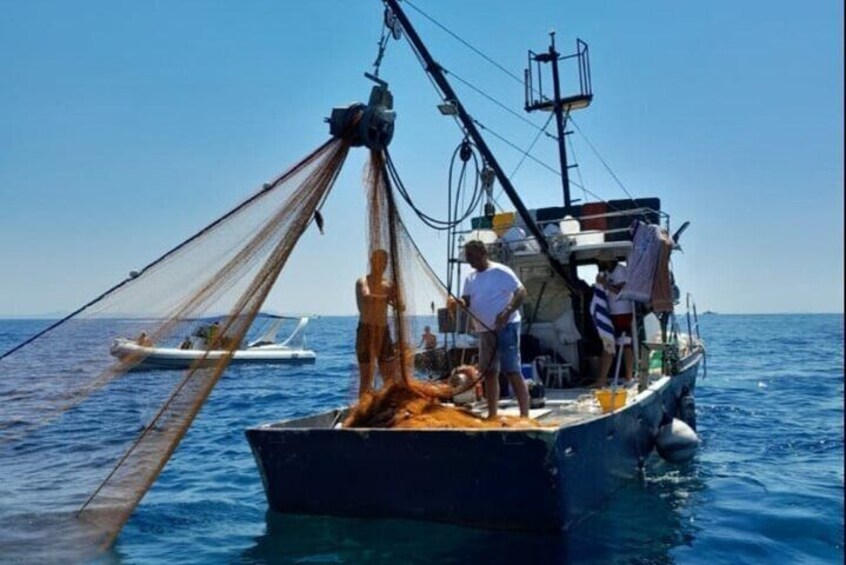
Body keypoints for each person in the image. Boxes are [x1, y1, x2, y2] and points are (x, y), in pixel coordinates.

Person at [458, 239, 529, 419]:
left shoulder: (500, 271)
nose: (469, 260)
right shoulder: (470, 278)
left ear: (483, 253)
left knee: (512, 370)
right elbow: (466, 299)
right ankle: (492, 414)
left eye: (471, 256)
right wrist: (460, 302)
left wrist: (507, 311)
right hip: (484, 330)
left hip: (507, 326)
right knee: (490, 372)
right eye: (467, 257)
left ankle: (524, 415)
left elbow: (521, 291)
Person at [355, 249, 399, 397]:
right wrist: (386, 298)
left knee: (389, 379)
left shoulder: (389, 285)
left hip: (383, 331)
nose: (382, 265)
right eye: (379, 261)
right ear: (372, 262)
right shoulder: (363, 281)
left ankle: (387, 410)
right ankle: (362, 414)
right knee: (366, 380)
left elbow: (401, 306)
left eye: (385, 262)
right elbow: (366, 296)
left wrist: (397, 299)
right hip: (366, 331)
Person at [596, 250, 634, 385]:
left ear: (608, 261)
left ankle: (629, 377)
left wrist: (605, 284)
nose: (599, 264)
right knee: (609, 344)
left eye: (601, 261)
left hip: (623, 313)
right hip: (611, 313)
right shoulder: (606, 274)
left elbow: (621, 291)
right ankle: (603, 379)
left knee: (625, 344)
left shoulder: (621, 271)